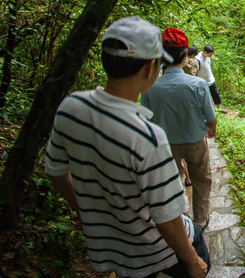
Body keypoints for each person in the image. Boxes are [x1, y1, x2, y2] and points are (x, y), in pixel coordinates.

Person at [44, 16, 209, 278]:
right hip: (154, 249)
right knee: (199, 252)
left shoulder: (71, 107)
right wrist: (192, 260)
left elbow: (55, 172)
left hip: (110, 246)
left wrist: (88, 211)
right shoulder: (148, 137)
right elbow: (167, 219)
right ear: (149, 68)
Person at [141, 27, 217, 230]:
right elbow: (211, 117)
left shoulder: (149, 87)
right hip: (194, 142)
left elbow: (145, 119)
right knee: (201, 180)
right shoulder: (198, 85)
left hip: (165, 145)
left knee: (173, 181)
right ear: (185, 56)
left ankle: (181, 216)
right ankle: (200, 220)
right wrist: (211, 130)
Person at [195, 44, 226, 112]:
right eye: (209, 55)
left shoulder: (208, 57)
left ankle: (219, 107)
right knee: (204, 97)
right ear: (205, 52)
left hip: (211, 80)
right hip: (202, 81)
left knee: (216, 94)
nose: (210, 56)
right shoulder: (197, 60)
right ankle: (206, 110)